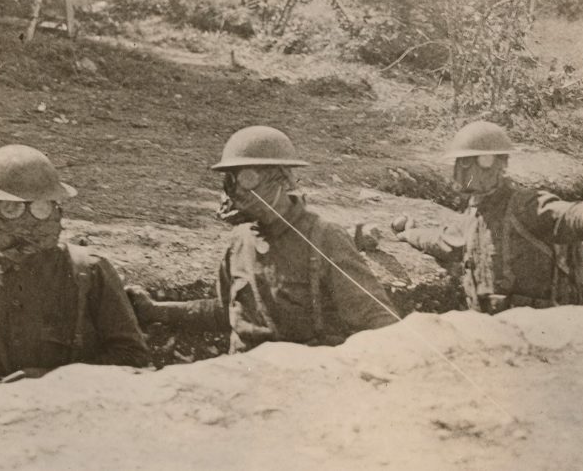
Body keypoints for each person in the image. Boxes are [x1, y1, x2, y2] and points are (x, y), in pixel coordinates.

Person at [127, 126, 398, 352]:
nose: (235, 192)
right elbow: (225, 312)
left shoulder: (325, 238)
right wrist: (157, 311)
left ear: (282, 179)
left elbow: (379, 321)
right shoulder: (240, 241)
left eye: (246, 178)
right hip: (243, 376)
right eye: (229, 181)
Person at [392, 121, 583, 314]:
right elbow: (447, 242)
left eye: (469, 163)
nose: (460, 172)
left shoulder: (525, 204)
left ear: (495, 164)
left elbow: (570, 215)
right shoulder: (477, 213)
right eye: (459, 164)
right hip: (493, 328)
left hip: (543, 329)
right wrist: (409, 234)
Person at [0, 145, 150, 383]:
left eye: (40, 208)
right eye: (11, 209)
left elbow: (133, 356)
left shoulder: (89, 271)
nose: (27, 224)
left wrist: (53, 380)